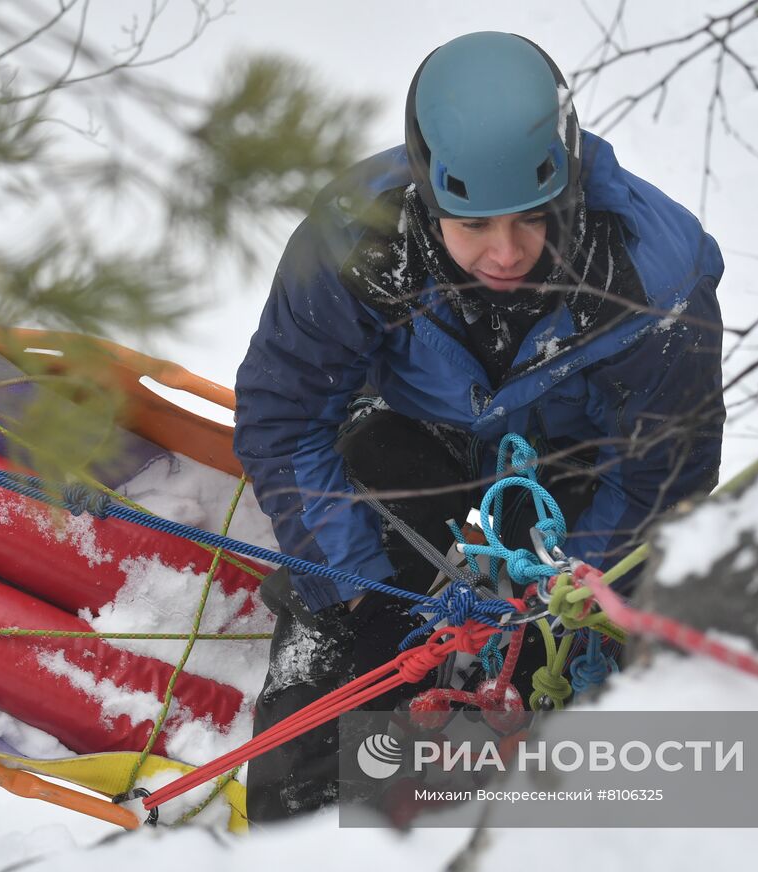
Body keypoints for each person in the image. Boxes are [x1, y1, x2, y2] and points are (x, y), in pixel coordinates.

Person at [233, 31, 725, 822]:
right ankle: (298, 855)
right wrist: (358, 585)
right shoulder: (357, 241)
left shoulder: (656, 277)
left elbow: (662, 468)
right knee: (332, 688)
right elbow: (284, 418)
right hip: (414, 445)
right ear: (428, 199)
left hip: (574, 482)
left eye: (532, 220)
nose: (506, 252)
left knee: (539, 701)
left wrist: (572, 586)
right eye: (474, 226)